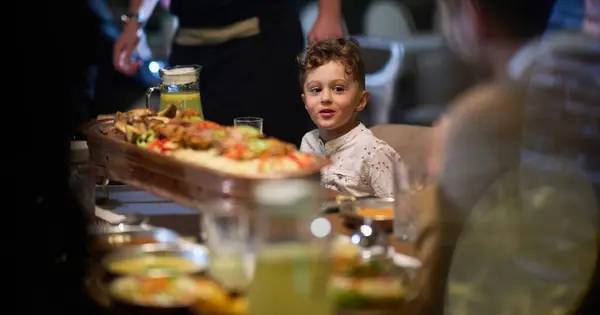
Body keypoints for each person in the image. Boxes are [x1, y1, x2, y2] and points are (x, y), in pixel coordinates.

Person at [414, 0, 599, 315]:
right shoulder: (582, 82)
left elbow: (442, 286)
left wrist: (436, 184)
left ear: (475, 16)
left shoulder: (483, 122)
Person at [113, 0, 344, 147]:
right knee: (186, 145)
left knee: (272, 148)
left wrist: (329, 12)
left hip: (262, 38)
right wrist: (135, 22)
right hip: (191, 40)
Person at [298, 38, 409, 198]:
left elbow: (401, 211)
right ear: (305, 102)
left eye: (338, 88)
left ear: (361, 101)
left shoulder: (374, 154)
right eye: (316, 90)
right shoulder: (308, 142)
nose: (325, 98)